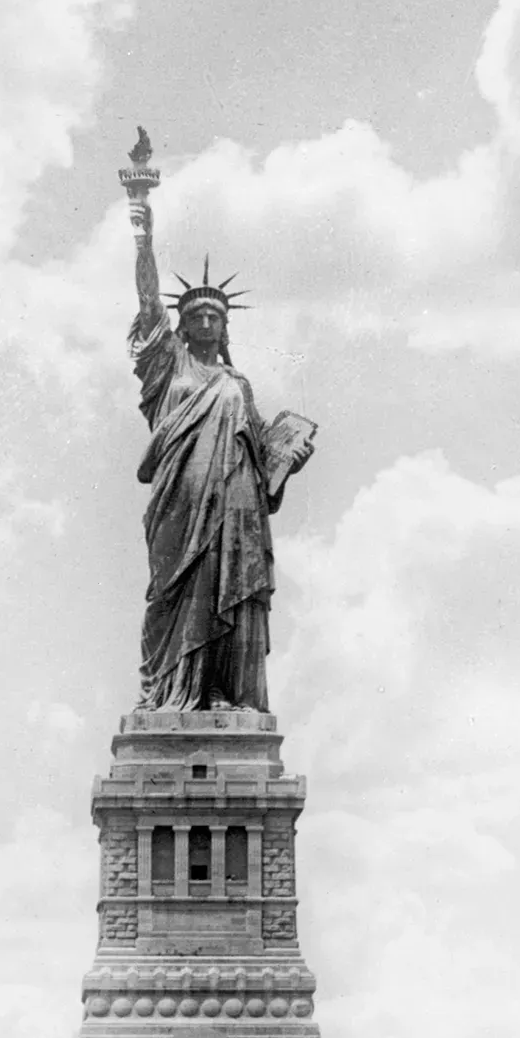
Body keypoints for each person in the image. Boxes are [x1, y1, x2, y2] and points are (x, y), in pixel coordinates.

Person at [124, 176, 313, 711]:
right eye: (196, 316)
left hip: (234, 508)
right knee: (179, 590)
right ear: (180, 328)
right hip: (180, 504)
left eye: (216, 316)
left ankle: (217, 690)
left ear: (225, 327)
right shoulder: (167, 367)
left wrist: (288, 460)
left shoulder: (238, 386)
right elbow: (145, 301)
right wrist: (141, 221)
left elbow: (261, 459)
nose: (206, 320)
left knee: (225, 585)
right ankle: (172, 692)